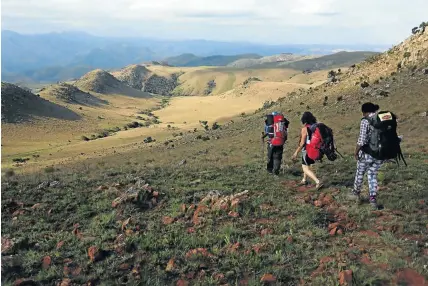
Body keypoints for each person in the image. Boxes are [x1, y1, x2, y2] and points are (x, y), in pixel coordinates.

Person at [348, 102, 383, 209]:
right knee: (372, 175)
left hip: (367, 153)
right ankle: (372, 199)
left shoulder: (365, 121)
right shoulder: (381, 118)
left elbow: (362, 140)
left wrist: (356, 152)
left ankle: (355, 194)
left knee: (360, 172)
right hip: (380, 154)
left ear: (364, 112)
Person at [292, 112, 323, 190]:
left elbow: (302, 143)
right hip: (314, 149)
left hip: (307, 150)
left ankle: (318, 182)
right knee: (306, 165)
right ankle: (304, 180)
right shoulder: (315, 127)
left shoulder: (305, 129)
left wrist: (296, 152)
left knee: (305, 168)